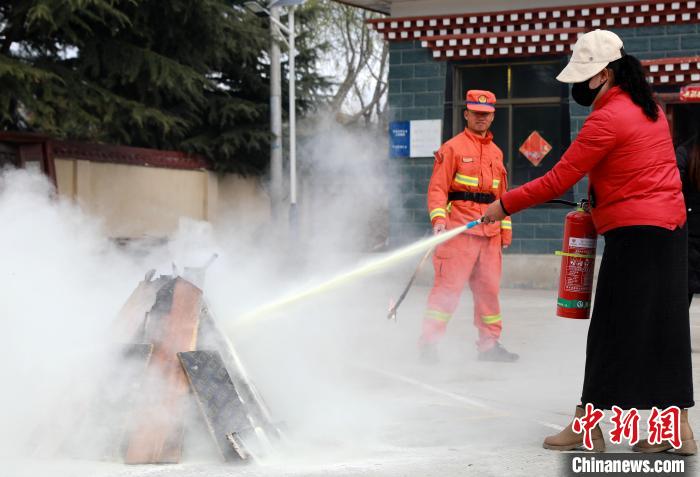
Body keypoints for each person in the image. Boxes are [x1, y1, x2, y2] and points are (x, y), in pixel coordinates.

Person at [484, 29, 695, 454]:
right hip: (672, 233)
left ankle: (588, 427)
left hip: (635, 238)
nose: (579, 85)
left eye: (583, 76)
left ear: (603, 75)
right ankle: (678, 432)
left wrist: (503, 205)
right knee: (665, 333)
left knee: (610, 333)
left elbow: (557, 180)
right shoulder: (650, 109)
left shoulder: (606, 119)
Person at [420, 89, 517, 364]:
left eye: (486, 114)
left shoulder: (496, 153)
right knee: (447, 291)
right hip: (459, 233)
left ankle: (489, 346)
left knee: (489, 292)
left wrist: (505, 230)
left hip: (490, 234)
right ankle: (428, 345)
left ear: (492, 117)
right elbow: (437, 190)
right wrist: (439, 221)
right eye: (476, 113)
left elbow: (501, 197)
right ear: (466, 114)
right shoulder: (452, 148)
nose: (481, 118)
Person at [676, 126, 700, 306]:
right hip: (690, 234)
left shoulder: (685, 151)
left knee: (684, 294)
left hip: (689, 231)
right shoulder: (686, 152)